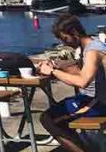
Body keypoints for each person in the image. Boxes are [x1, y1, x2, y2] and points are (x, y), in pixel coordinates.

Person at [38, 13, 106, 152]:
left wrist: (52, 72)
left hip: (100, 103)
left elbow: (83, 82)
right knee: (55, 114)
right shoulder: (91, 46)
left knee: (48, 119)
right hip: (95, 100)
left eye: (65, 38)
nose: (64, 43)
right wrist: (57, 67)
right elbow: (81, 72)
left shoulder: (93, 51)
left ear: (74, 32)